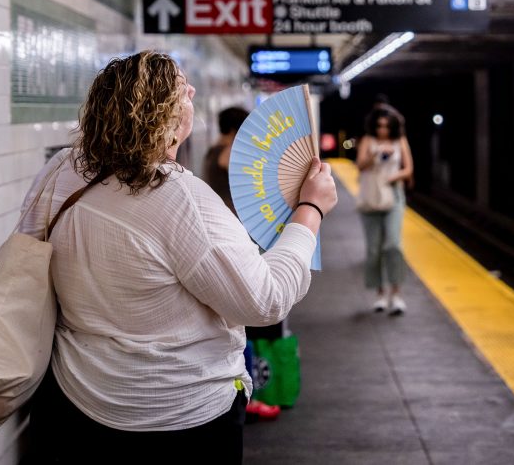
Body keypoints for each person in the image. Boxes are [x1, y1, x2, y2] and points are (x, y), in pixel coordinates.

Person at [22, 51, 337, 463]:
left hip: (76, 406)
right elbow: (265, 299)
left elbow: (30, 252)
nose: (191, 90)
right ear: (165, 121)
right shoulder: (182, 200)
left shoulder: (61, 170)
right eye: (180, 88)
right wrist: (309, 212)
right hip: (179, 422)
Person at [203, 106, 282, 422]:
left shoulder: (211, 151)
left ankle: (245, 392)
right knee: (243, 323)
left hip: (226, 235)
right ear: (237, 130)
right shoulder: (228, 152)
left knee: (235, 322)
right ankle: (246, 397)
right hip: (236, 237)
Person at [355, 104, 414, 315]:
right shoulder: (367, 141)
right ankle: (380, 294)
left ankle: (396, 294)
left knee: (393, 245)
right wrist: (375, 153)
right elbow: (360, 165)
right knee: (373, 249)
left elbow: (408, 169)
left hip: (393, 195)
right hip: (371, 197)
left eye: (387, 126)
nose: (383, 130)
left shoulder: (400, 141)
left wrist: (393, 177)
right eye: (379, 126)